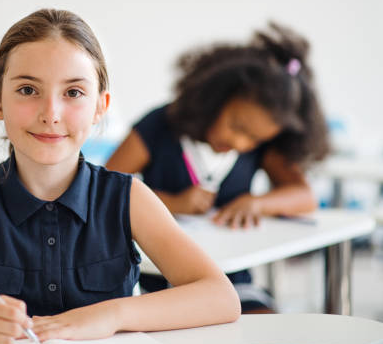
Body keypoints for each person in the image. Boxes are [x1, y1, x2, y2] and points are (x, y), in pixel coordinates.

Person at [0, 9, 240, 344]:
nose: (51, 114)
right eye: (27, 90)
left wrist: (110, 316)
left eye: (73, 92)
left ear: (99, 107)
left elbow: (220, 296)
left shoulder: (128, 198)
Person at [106, 22, 330, 313]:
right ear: (215, 98)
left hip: (233, 284)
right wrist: (172, 203)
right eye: (237, 126)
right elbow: (106, 191)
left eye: (255, 138)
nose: (241, 142)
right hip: (156, 285)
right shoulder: (159, 126)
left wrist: (258, 203)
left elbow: (304, 196)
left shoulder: (258, 148)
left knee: (268, 326)